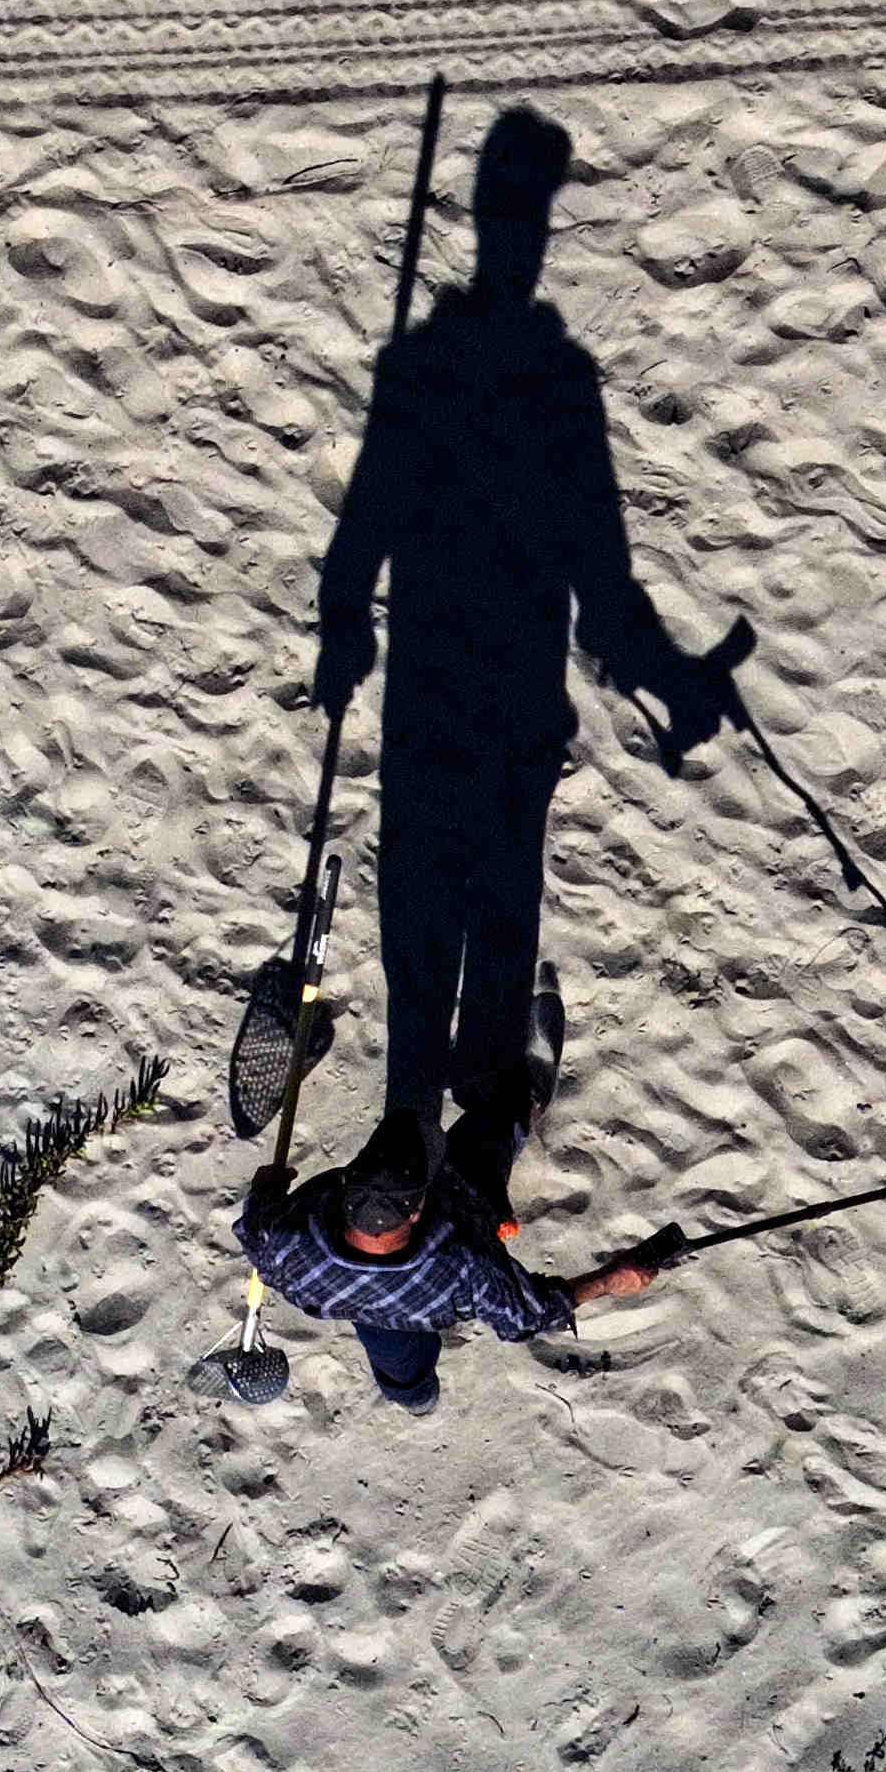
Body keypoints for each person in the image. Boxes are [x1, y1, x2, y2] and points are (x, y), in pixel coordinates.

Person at [312, 100, 753, 1218]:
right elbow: (591, 573)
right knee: (487, 901)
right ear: (510, 226)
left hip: (448, 690)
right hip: (489, 694)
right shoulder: (545, 380)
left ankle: (427, 1105)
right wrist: (664, 674)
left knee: (440, 900)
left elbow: (377, 529)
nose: (528, 239)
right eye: (524, 215)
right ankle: (469, 1111)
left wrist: (343, 622)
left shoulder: (453, 368)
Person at [236, 1113, 669, 1411]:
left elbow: (253, 1227)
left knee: (402, 1374)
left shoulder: (283, 1243)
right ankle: (520, 1099)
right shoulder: (465, 1264)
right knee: (485, 1143)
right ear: (415, 1211)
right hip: (423, 1298)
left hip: (361, 1309)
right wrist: (610, 1280)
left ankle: (416, 1400)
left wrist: (267, 1188)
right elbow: (525, 1317)